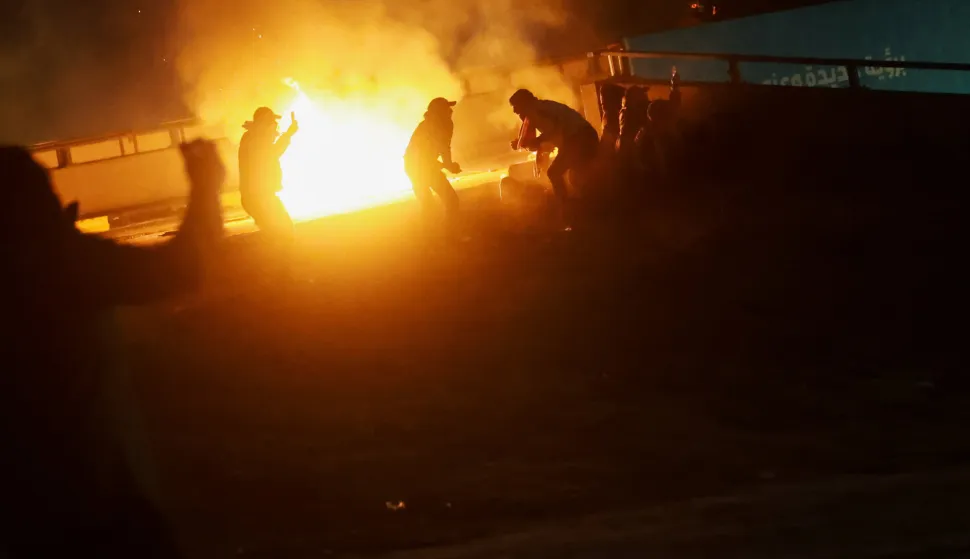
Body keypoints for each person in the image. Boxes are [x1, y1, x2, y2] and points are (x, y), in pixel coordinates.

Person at [0, 140, 224, 558]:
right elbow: (182, 270)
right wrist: (206, 185)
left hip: (20, 512)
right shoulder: (58, 261)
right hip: (95, 498)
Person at [508, 88, 599, 226]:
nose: (515, 111)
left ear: (524, 103)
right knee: (578, 176)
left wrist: (533, 142)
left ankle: (566, 211)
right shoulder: (541, 107)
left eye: (516, 106)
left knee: (554, 173)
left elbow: (552, 131)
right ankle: (586, 211)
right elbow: (550, 137)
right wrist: (530, 144)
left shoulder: (536, 110)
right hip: (583, 137)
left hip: (579, 138)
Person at [238, 107, 298, 238]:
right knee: (285, 233)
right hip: (259, 198)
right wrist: (288, 134)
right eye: (272, 122)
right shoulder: (255, 140)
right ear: (264, 123)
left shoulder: (254, 137)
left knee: (278, 234)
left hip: (259, 197)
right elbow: (271, 154)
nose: (275, 125)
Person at [403, 97, 462, 226]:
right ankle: (447, 230)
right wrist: (450, 165)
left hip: (414, 165)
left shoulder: (427, 124)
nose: (450, 111)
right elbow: (443, 148)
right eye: (447, 108)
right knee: (449, 200)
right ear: (440, 111)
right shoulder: (444, 124)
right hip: (420, 166)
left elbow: (431, 152)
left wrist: (447, 165)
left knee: (428, 204)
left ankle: (431, 233)